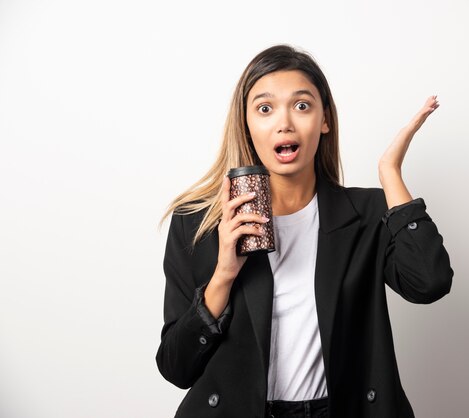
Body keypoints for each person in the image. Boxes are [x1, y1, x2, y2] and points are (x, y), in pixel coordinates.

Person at [156, 44, 453, 418]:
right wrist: (224, 275)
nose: (284, 123)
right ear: (246, 124)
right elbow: (176, 368)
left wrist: (390, 173)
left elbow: (430, 282)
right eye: (265, 109)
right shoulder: (197, 223)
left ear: (324, 119)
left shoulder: (367, 214)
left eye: (301, 105)